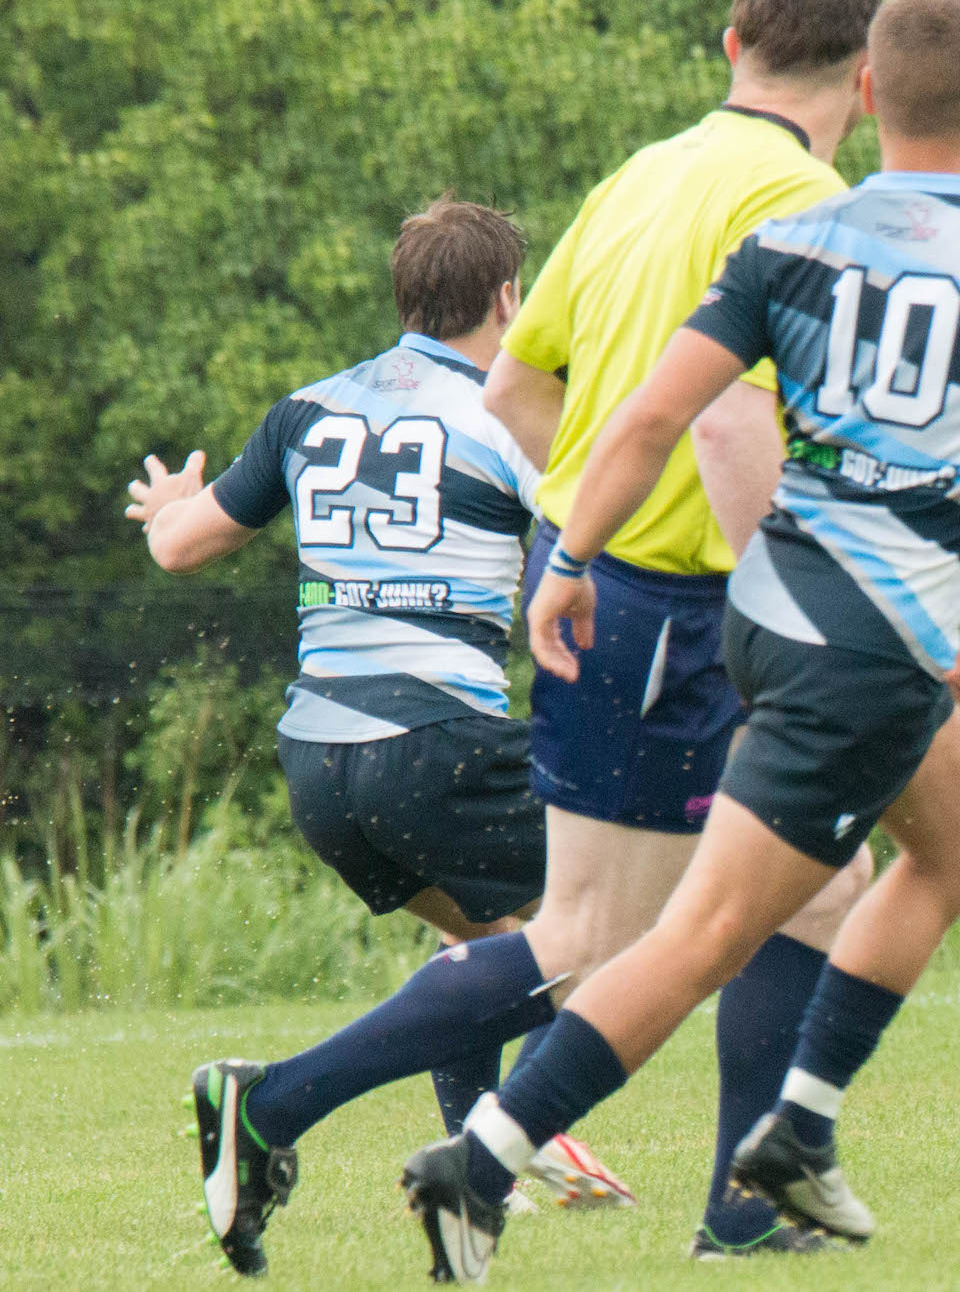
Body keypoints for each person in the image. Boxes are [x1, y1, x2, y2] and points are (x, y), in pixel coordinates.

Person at [394, 0, 960, 1281]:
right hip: (869, 646)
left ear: (868, 94)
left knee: (958, 840)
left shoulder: (793, 240)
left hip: (770, 614)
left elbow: (638, 420)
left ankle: (798, 1129)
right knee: (704, 937)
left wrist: (565, 559)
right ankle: (486, 1157)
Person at [126, 199, 629, 1277]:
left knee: (493, 949)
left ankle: (479, 1157)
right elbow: (598, 546)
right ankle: (290, 1105)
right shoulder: (516, 414)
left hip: (318, 762)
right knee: (622, 921)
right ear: (507, 298)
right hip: (436, 742)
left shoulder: (308, 408)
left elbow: (178, 547)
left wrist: (170, 500)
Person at [468, 0, 885, 1259]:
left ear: (729, 43)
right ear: (866, 84)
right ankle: (286, 1098)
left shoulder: (644, 171)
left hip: (633, 594)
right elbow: (721, 418)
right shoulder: (808, 199)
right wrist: (651, 546)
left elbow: (517, 393)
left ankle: (743, 1210)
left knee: (818, 890)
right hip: (687, 610)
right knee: (590, 934)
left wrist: (582, 529)